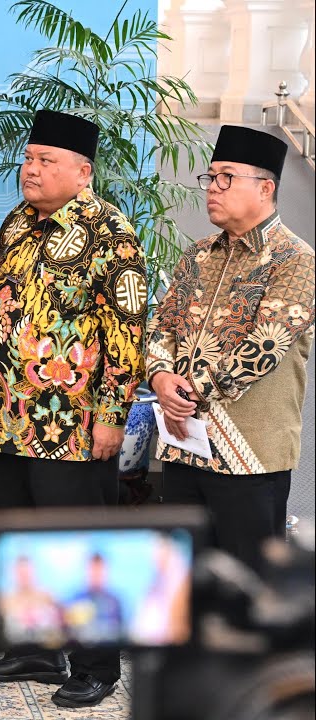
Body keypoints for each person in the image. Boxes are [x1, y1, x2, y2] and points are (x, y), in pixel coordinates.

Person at [0, 110, 148, 709]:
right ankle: (40, 650)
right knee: (21, 537)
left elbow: (126, 330)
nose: (31, 169)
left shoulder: (110, 232)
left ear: (82, 172)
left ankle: (98, 664)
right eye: (29, 158)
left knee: (78, 543)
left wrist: (112, 414)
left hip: (70, 423)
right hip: (7, 416)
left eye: (46, 160)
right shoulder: (18, 222)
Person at [147, 125, 314, 572]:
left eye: (227, 177)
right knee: (182, 578)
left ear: (265, 188)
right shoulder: (197, 255)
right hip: (185, 444)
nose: (212, 188)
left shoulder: (296, 261)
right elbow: (161, 324)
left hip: (249, 455)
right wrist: (160, 377)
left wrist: (184, 392)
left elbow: (265, 347)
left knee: (246, 584)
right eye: (210, 177)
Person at [0, 556, 65, 644]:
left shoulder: (47, 596)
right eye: (20, 573)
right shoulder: (5, 601)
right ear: (13, 574)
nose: (24, 576)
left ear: (33, 572)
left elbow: (61, 625)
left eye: (26, 572)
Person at [62, 554, 124, 644]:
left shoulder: (114, 602)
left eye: (99, 571)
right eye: (93, 571)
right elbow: (67, 631)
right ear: (87, 571)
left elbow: (120, 633)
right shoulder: (75, 600)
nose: (96, 575)